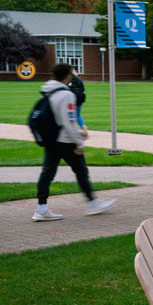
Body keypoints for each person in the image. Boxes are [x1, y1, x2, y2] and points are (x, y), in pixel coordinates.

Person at [32, 63, 116, 221]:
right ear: (68, 76)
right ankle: (92, 203)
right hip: (66, 141)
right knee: (81, 171)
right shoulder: (66, 95)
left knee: (47, 173)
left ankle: (41, 208)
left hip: (51, 139)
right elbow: (68, 121)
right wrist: (79, 143)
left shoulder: (48, 91)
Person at [66, 68, 88, 139]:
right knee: (77, 115)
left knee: (69, 115)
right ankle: (84, 128)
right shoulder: (79, 80)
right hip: (79, 99)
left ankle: (71, 131)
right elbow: (83, 89)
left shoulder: (67, 79)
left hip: (71, 100)